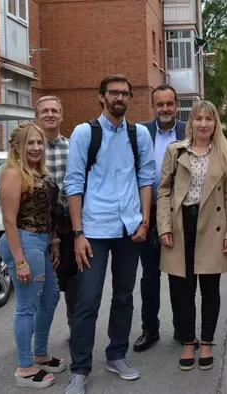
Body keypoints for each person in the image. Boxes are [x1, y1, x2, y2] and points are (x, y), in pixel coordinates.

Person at [64, 75, 156, 394]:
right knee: (87, 300)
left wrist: (144, 220)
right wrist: (78, 233)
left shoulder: (138, 134)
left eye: (124, 93)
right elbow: (73, 184)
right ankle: (79, 369)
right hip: (93, 230)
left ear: (129, 98)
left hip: (129, 228)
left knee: (124, 296)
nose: (119, 97)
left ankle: (117, 354)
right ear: (101, 97)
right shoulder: (83, 133)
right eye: (113, 93)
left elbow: (145, 178)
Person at [156, 100, 227, 371]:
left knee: (210, 289)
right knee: (183, 289)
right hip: (181, 224)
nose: (203, 123)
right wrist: (164, 226)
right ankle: (188, 341)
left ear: (216, 123)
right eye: (198, 118)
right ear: (190, 122)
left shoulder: (224, 154)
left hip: (212, 225)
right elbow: (164, 191)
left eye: (209, 119)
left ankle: (207, 342)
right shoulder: (175, 151)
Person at [0, 122, 67, 389]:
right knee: (27, 306)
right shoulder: (13, 174)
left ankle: (40, 353)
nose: (37, 147)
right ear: (17, 147)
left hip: (41, 242)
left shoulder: (39, 173)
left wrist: (54, 241)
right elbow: (9, 221)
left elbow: (47, 212)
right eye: (30, 143)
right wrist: (20, 260)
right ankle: (25, 368)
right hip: (24, 242)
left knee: (49, 297)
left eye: (39, 142)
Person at [133, 84, 190, 352]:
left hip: (181, 214)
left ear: (176, 105)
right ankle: (150, 329)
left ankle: (183, 329)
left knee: (180, 275)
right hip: (149, 212)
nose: (165, 109)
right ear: (152, 106)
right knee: (150, 276)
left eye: (170, 104)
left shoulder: (189, 131)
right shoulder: (139, 132)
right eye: (160, 104)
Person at [35, 95, 78, 337]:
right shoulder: (29, 149)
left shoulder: (73, 147)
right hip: (40, 226)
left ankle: (74, 327)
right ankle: (36, 334)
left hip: (69, 224)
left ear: (61, 116)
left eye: (54, 110)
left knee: (73, 282)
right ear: (37, 117)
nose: (50, 114)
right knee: (41, 284)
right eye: (45, 111)